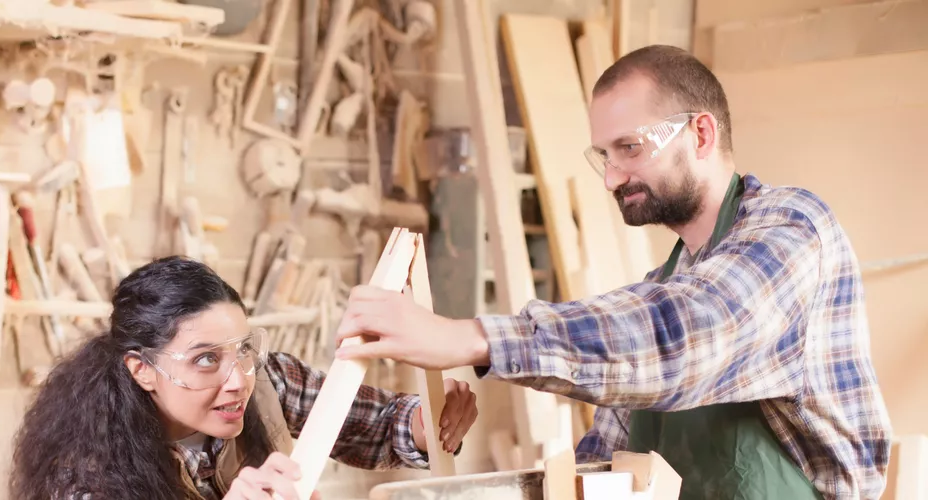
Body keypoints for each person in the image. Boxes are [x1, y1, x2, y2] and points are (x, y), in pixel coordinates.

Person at [329, 45, 891, 500]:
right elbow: (612, 451)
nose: (611, 178)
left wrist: (467, 338)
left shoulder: (792, 230)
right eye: (603, 155)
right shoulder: (667, 281)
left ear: (700, 134)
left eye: (629, 148)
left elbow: (685, 338)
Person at [9, 256, 479, 500]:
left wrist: (422, 424)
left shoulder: (265, 380)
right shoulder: (84, 476)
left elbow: (368, 421)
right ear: (143, 370)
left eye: (243, 349)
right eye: (206, 360)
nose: (237, 380)